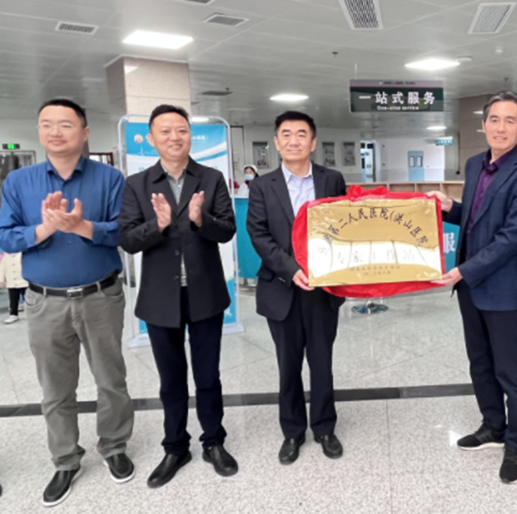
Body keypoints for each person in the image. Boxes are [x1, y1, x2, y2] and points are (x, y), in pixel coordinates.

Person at [0, 99, 134, 507]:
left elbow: (125, 232)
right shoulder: (18, 181)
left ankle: (114, 446)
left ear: (85, 132)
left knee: (111, 379)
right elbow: (5, 236)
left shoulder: (110, 178)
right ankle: (65, 459)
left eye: (65, 124)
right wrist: (43, 229)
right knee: (55, 387)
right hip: (45, 302)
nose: (55, 132)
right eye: (47, 124)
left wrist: (83, 226)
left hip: (101, 296)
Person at [428, 91, 517, 484]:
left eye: (510, 120)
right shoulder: (474, 164)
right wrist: (451, 208)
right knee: (479, 362)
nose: (500, 127)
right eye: (494, 119)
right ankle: (493, 427)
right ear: (483, 124)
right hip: (469, 288)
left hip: (501, 289)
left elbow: (511, 237)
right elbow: (477, 219)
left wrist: (463, 270)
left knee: (510, 370)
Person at [118, 104, 239, 487]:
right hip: (159, 298)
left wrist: (202, 220)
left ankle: (213, 441)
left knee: (208, 376)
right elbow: (127, 239)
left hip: (205, 293)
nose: (175, 137)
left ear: (190, 135)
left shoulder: (211, 178)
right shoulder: (137, 184)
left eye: (182, 130)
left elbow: (227, 231)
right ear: (151, 139)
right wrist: (157, 225)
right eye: (166, 131)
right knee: (170, 379)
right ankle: (175, 447)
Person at [246, 111, 347, 465]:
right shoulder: (262, 186)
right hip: (282, 289)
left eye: (301, 134)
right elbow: (259, 235)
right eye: (286, 134)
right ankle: (292, 431)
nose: (293, 140)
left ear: (313, 142)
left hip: (323, 290)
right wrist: (291, 270)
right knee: (287, 366)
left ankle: (324, 428)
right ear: (276, 143)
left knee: (322, 363)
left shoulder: (332, 179)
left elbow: (345, 226)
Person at [0, 251, 28, 324]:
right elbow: (2, 269)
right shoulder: (5, 256)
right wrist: (1, 280)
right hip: (11, 282)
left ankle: (30, 313)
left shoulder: (23, 254)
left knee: (27, 299)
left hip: (24, 282)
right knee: (13, 299)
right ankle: (13, 314)